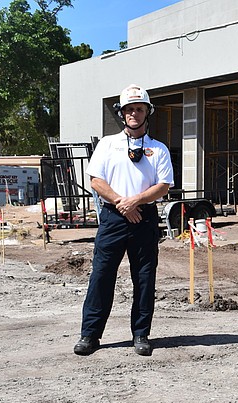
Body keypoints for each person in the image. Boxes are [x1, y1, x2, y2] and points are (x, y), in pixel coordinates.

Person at [73, 84, 174, 357]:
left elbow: (164, 185)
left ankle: (141, 334)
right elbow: (96, 180)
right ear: (122, 113)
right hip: (113, 218)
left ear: (147, 112)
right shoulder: (107, 144)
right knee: (102, 276)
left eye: (139, 108)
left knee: (144, 278)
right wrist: (121, 202)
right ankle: (90, 335)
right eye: (129, 109)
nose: (134, 113)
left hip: (144, 219)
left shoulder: (158, 149)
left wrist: (136, 201)